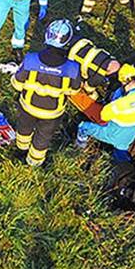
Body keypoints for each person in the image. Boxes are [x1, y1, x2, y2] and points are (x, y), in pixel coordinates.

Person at [9, 20, 83, 167]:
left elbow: (17, 84)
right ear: (68, 42)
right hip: (52, 113)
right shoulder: (73, 68)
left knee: (24, 129)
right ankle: (34, 162)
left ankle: (21, 150)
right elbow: (74, 90)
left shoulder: (30, 59)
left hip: (28, 106)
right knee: (43, 138)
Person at [75, 63, 135, 163]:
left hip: (113, 133)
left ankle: (80, 149)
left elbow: (103, 116)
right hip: (130, 135)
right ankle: (122, 162)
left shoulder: (119, 104)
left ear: (123, 82)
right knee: (120, 150)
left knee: (83, 127)